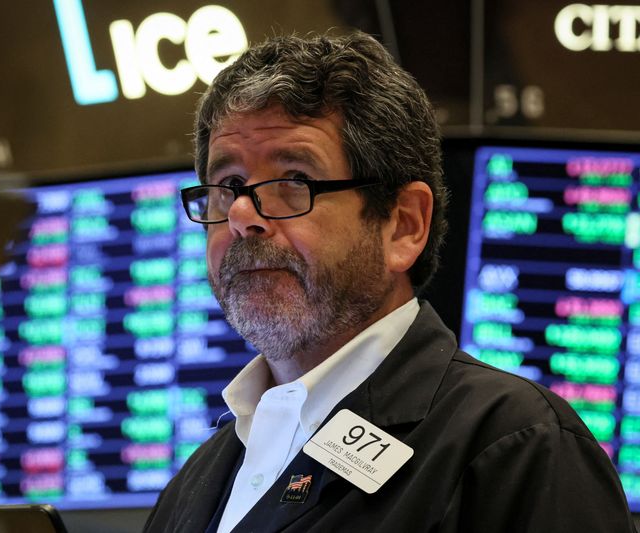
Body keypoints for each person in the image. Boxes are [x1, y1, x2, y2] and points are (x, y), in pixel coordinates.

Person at [143, 32, 636, 532]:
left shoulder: (516, 446)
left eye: (294, 180)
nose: (243, 214)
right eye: (227, 187)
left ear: (404, 225)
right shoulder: (199, 478)